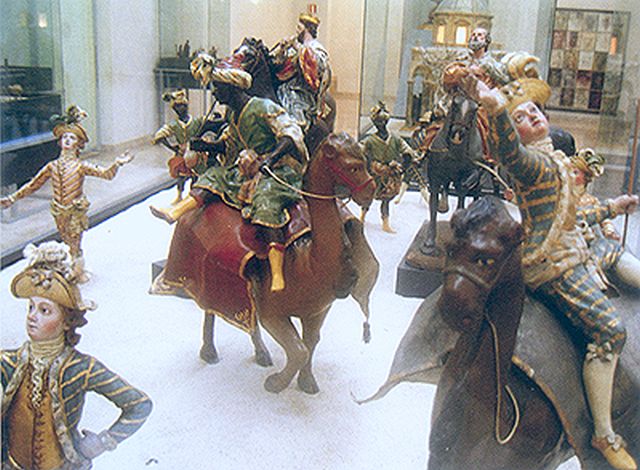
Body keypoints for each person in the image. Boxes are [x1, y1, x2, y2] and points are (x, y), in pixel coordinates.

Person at [461, 71, 639, 469]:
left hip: (577, 250)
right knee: (611, 331)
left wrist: (613, 208)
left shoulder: (555, 159)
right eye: (520, 118)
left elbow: (571, 215)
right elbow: (511, 154)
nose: (532, 117)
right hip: (555, 266)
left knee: (620, 260)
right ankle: (604, 434)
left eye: (533, 111)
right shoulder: (531, 164)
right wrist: (496, 110)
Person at [151, 66, 308, 292]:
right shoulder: (233, 115)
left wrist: (270, 159)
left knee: (266, 203)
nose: (214, 93)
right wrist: (206, 145)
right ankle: (175, 211)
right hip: (246, 169)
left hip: (276, 170)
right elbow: (230, 145)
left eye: (217, 88)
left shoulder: (263, 107)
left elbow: (290, 133)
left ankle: (276, 272)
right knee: (214, 176)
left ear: (232, 88)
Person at [1, 241, 152, 470]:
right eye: (31, 307)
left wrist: (103, 442)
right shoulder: (8, 362)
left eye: (44, 310)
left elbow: (139, 405)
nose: (32, 316)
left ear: (66, 322)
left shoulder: (82, 368)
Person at [0, 106, 133, 281]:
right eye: (65, 137)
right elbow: (33, 185)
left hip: (74, 210)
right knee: (65, 239)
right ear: (60, 141)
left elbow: (106, 175)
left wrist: (116, 164)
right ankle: (69, 267)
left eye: (72, 138)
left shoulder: (81, 166)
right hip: (58, 210)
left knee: (74, 242)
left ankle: (78, 271)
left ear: (79, 143)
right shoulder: (52, 166)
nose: (68, 140)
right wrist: (12, 198)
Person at [571, 148, 640, 291]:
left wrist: (609, 231)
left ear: (586, 178)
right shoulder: (564, 199)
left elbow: (604, 220)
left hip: (595, 244)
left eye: (575, 173)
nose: (571, 177)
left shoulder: (592, 200)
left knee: (614, 252)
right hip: (572, 248)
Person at [360, 101, 422, 233]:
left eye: (383, 122)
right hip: (375, 173)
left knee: (386, 200)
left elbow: (407, 149)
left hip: (390, 175)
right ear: (375, 123)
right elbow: (362, 152)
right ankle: (362, 217)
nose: (381, 125)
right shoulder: (370, 140)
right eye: (378, 122)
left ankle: (385, 223)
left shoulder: (395, 138)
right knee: (368, 197)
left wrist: (409, 159)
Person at [269, 9, 332, 132]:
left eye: (299, 28)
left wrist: (297, 48)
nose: (297, 31)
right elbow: (283, 65)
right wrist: (282, 50)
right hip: (287, 85)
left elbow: (317, 66)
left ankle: (296, 130)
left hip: (302, 89)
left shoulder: (316, 47)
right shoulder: (297, 44)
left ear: (307, 30)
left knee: (292, 102)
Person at [153, 89, 210, 204]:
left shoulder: (197, 121)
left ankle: (192, 197)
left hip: (195, 154)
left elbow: (209, 123)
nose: (180, 109)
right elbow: (159, 136)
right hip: (182, 153)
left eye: (182, 106)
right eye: (177, 107)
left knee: (196, 175)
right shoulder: (173, 125)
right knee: (181, 177)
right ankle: (179, 196)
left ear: (186, 106)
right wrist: (173, 147)